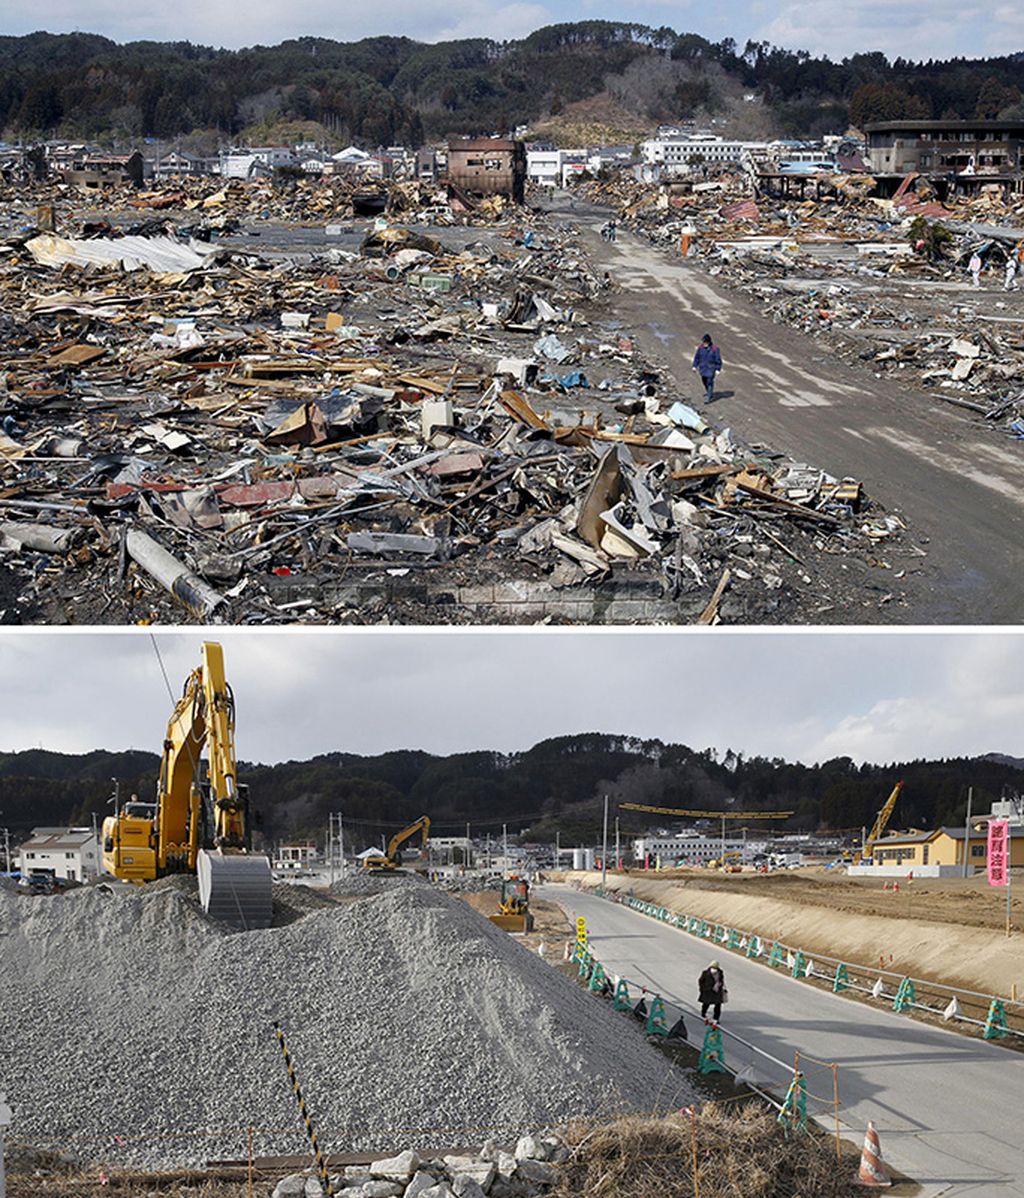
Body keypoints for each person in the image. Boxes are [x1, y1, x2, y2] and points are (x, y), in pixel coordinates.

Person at [692, 333, 722, 402]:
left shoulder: (715, 349)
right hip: (703, 368)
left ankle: (709, 397)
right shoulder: (700, 348)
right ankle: (709, 392)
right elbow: (697, 357)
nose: (704, 343)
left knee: (709, 382)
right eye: (703, 342)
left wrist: (718, 369)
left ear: (709, 342)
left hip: (711, 368)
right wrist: (694, 366)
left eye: (705, 342)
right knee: (704, 381)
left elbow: (718, 359)